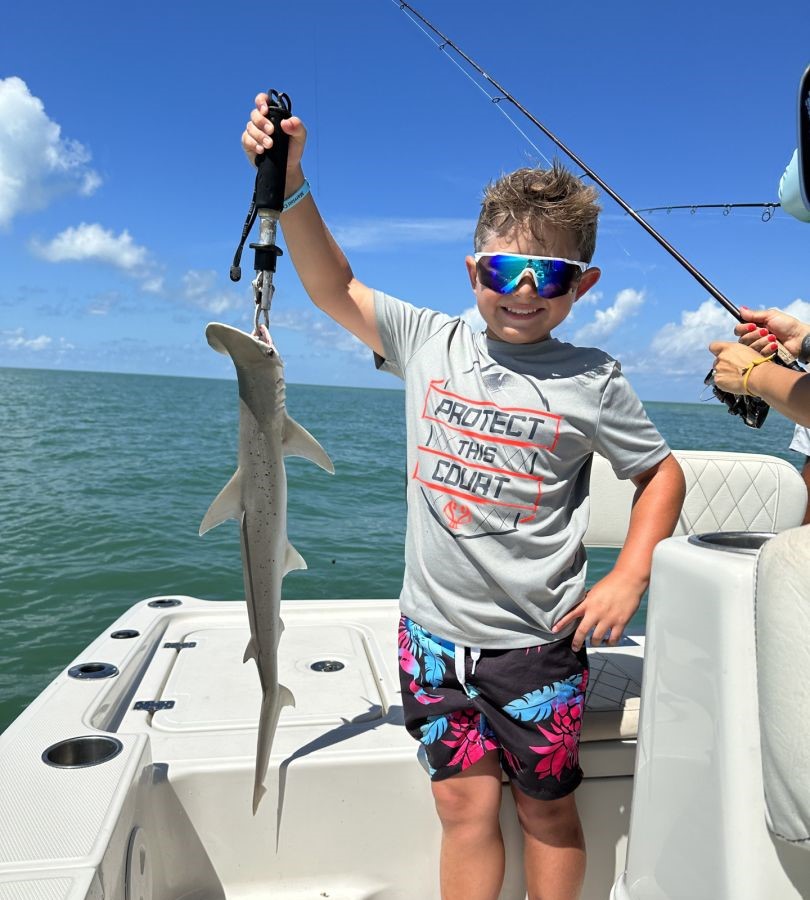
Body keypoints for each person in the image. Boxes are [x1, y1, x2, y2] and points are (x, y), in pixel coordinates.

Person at [243, 92, 686, 900]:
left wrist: (631, 574)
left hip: (539, 648)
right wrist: (293, 181)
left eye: (546, 274)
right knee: (461, 807)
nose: (522, 290)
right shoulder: (429, 341)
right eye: (501, 269)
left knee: (547, 812)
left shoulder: (595, 380)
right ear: (472, 270)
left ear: (583, 284)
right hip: (430, 642)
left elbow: (661, 474)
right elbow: (332, 286)